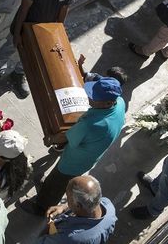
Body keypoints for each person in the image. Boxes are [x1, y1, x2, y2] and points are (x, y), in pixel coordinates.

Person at [27, 77, 125, 213]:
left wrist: (51, 139)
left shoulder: (91, 124)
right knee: (57, 180)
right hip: (89, 158)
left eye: (93, 97)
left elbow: (65, 137)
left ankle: (41, 207)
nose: (89, 98)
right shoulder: (120, 103)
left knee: (57, 182)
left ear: (106, 102)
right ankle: (47, 188)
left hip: (72, 162)